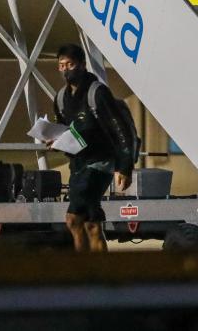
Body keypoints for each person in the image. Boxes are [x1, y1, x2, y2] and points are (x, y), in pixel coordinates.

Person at [52, 44, 134, 252]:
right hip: (78, 164)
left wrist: (124, 167)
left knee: (73, 219)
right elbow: (64, 129)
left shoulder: (97, 93)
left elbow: (121, 130)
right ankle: (101, 273)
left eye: (70, 64)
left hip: (100, 163)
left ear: (81, 65)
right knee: (91, 224)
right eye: (61, 65)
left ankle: (83, 273)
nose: (66, 70)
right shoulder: (61, 98)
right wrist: (54, 140)